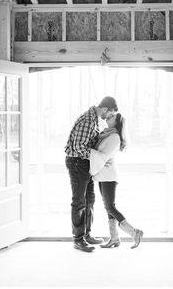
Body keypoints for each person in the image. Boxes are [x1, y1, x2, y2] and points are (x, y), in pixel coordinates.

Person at [65, 96, 118, 252]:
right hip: (77, 163)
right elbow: (78, 147)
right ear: (105, 108)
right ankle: (78, 239)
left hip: (84, 163)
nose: (108, 117)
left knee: (90, 200)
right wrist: (98, 156)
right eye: (109, 113)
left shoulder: (94, 119)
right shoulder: (88, 121)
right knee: (79, 202)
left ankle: (87, 235)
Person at [90, 112, 143, 249]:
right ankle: (114, 238)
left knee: (110, 207)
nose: (108, 117)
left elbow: (103, 155)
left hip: (109, 176)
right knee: (108, 207)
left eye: (111, 116)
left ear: (117, 121)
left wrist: (89, 151)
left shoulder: (114, 136)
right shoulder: (107, 133)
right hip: (104, 175)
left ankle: (134, 232)